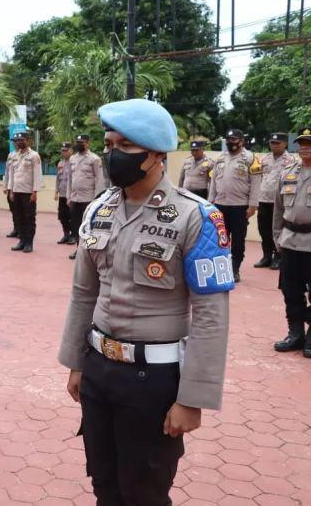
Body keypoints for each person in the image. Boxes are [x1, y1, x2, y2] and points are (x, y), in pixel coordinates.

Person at [59, 98, 233, 505]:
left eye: (125, 146)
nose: (112, 155)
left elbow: (211, 316)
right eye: (108, 144)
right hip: (99, 369)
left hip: (153, 381)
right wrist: (76, 363)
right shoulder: (98, 210)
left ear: (156, 154)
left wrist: (191, 399)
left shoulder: (197, 217)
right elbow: (84, 293)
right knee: (104, 483)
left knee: (145, 492)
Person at [272, 127, 311, 356]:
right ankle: (295, 333)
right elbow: (278, 209)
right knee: (290, 291)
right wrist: (277, 236)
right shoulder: (287, 173)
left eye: (309, 144)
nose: (305, 148)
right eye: (302, 143)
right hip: (290, 242)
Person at [209, 128, 262, 282]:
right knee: (220, 239)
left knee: (238, 241)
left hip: (240, 207)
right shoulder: (220, 158)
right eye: (228, 139)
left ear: (242, 141)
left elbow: (256, 184)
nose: (230, 142)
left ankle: (234, 269)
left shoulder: (250, 158)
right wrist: (210, 201)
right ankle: (221, 267)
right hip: (220, 205)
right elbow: (213, 182)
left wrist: (253, 205)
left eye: (234, 139)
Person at [255, 132, 297, 270]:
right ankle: (267, 256)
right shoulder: (264, 159)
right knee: (264, 230)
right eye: (272, 143)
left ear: (285, 144)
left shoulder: (291, 160)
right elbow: (259, 178)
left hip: (280, 201)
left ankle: (278, 257)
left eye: (277, 143)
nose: (274, 145)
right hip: (263, 199)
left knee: (278, 230)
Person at [67, 137, 104, 259]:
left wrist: (97, 199)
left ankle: (89, 252)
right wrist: (68, 196)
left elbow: (99, 179)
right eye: (77, 142)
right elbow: (70, 179)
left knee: (88, 227)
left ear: (87, 143)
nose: (78, 144)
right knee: (76, 226)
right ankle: (79, 249)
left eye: (81, 143)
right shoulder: (72, 158)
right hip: (75, 198)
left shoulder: (94, 159)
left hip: (88, 199)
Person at [8, 131, 43, 253]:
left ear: (28, 141)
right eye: (18, 140)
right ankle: (21, 241)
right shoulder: (14, 156)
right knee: (19, 217)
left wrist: (35, 191)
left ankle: (29, 243)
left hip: (28, 192)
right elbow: (12, 174)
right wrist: (11, 190)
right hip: (16, 191)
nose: (19, 142)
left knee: (29, 218)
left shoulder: (34, 155)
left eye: (22, 140)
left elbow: (37, 174)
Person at [54, 142, 75, 244]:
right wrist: (56, 191)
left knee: (71, 216)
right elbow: (58, 179)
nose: (64, 152)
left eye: (66, 150)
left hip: (71, 195)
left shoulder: (75, 162)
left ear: (71, 150)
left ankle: (73, 236)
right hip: (62, 194)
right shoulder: (60, 163)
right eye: (62, 151)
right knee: (62, 216)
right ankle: (66, 234)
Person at [4, 146, 20, 238]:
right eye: (14, 141)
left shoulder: (24, 155)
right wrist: (5, 185)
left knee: (20, 210)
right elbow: (7, 172)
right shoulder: (11, 155)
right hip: (11, 186)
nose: (16, 143)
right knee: (13, 209)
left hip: (20, 187)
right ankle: (16, 229)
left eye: (18, 141)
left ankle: (21, 230)